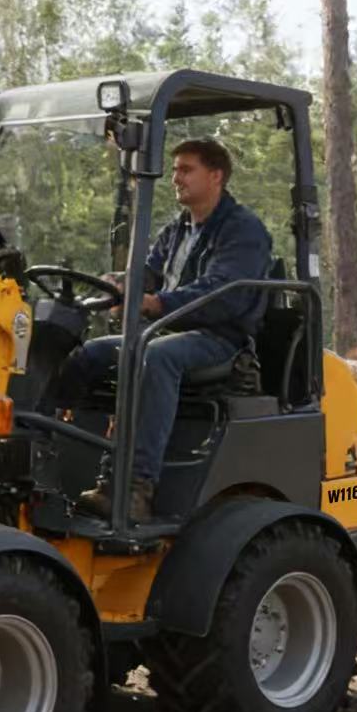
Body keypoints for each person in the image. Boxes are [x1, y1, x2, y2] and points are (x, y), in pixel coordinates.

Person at [57, 137, 272, 520]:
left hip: (220, 338)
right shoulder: (177, 230)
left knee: (153, 356)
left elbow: (222, 295)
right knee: (86, 354)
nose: (175, 178)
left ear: (216, 175)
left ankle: (135, 488)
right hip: (166, 329)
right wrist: (120, 284)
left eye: (186, 169)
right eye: (174, 170)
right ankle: (51, 449)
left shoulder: (243, 230)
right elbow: (150, 272)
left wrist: (157, 304)